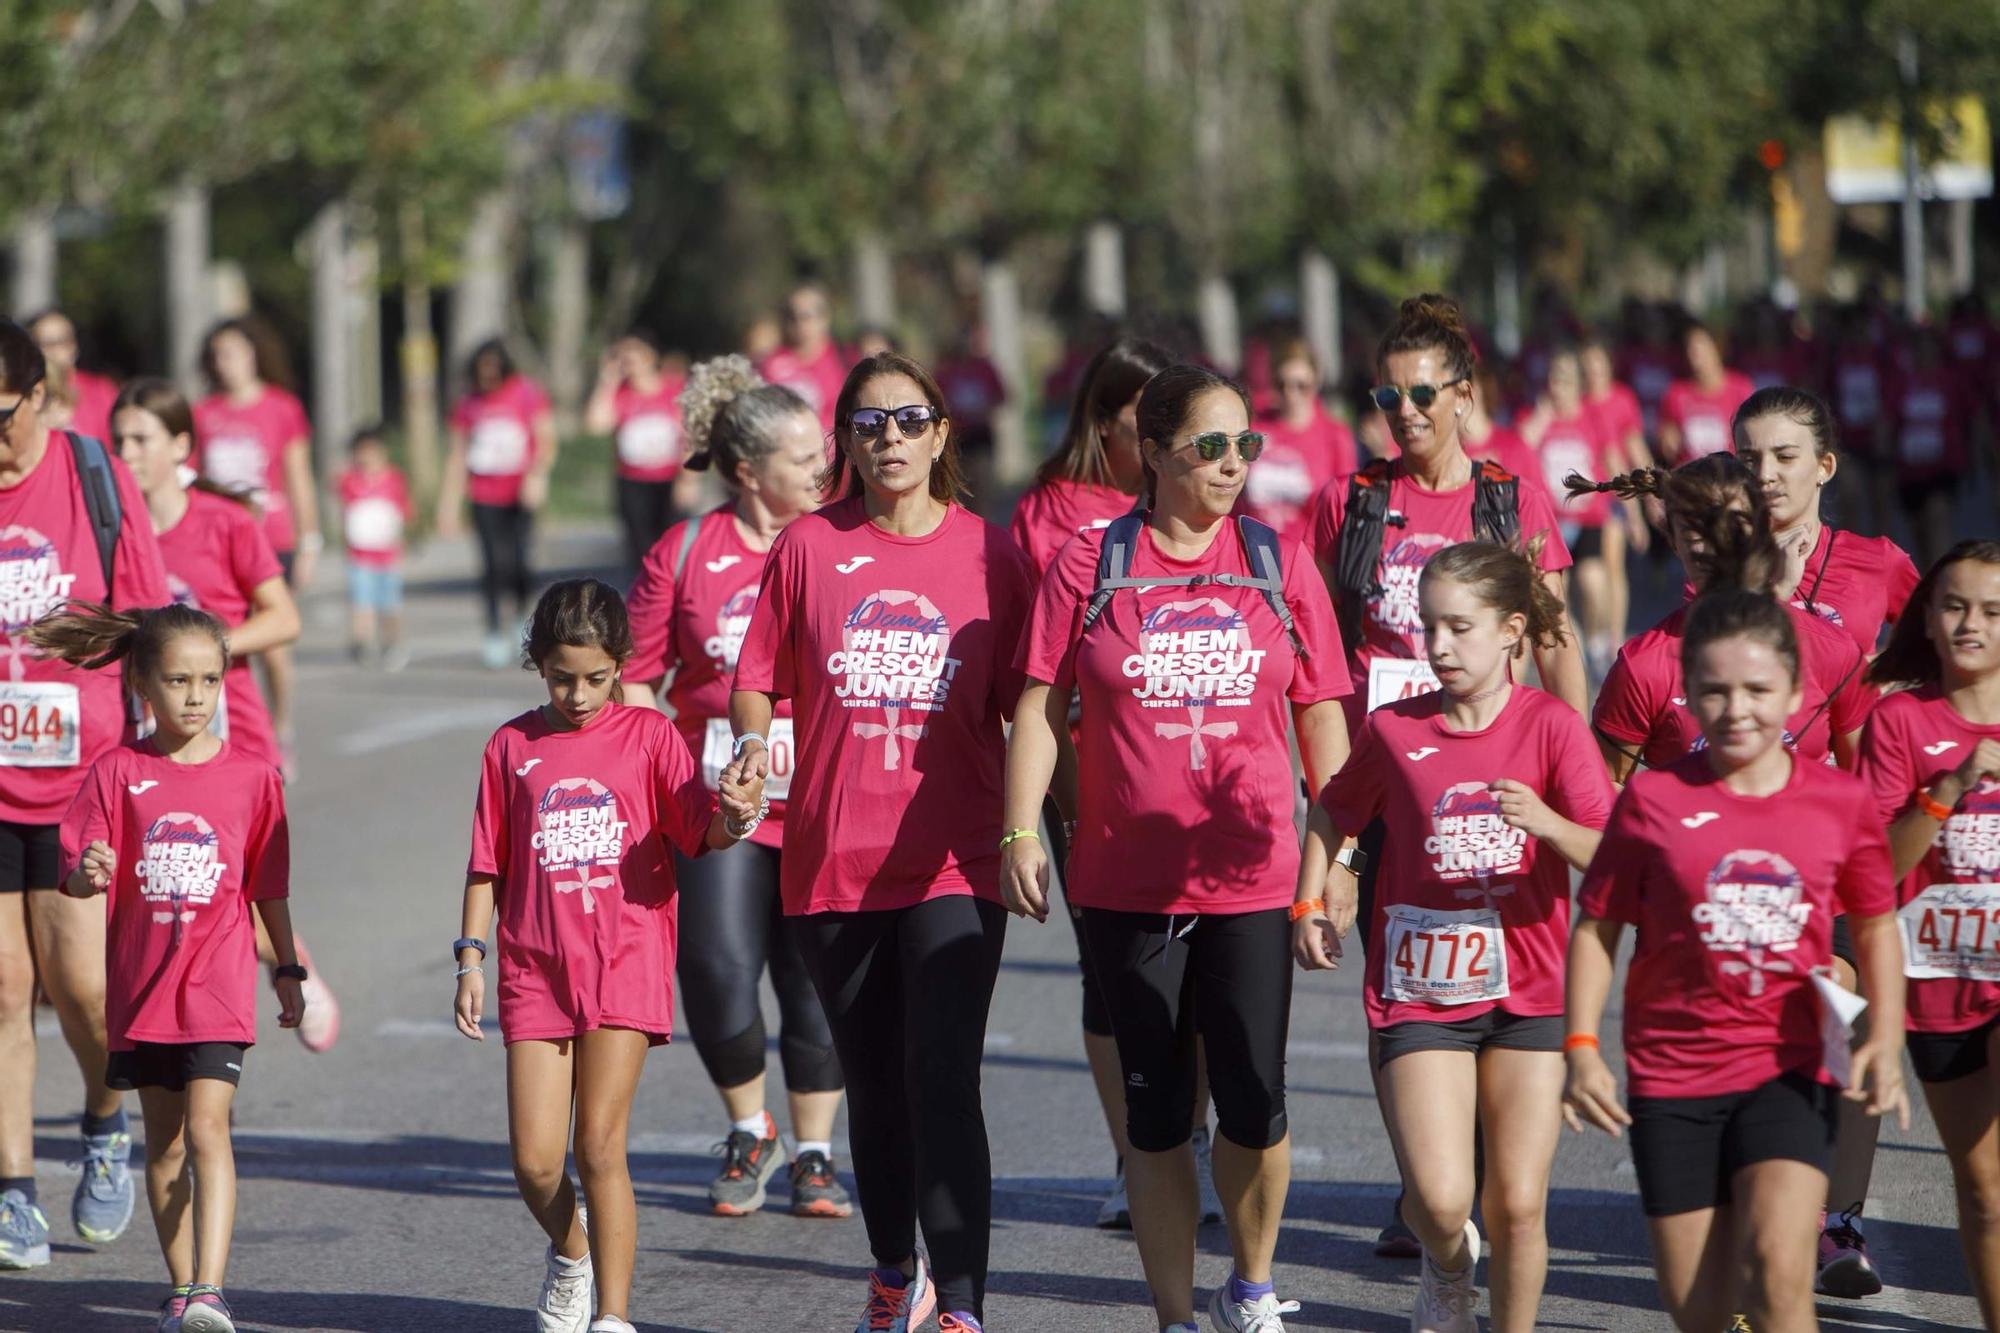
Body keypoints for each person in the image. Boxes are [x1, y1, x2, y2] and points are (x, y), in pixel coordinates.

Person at [1005, 364, 1351, 1333]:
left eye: (1246, 443)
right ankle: (1171, 1315)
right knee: (1155, 1121)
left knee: (1252, 1103)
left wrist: (1339, 860)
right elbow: (1040, 704)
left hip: (1251, 878)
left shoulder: (1276, 561)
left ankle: (1248, 1281)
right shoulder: (1090, 562)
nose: (1233, 462)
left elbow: (1321, 714)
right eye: (1210, 445)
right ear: (1151, 453)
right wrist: (1020, 826)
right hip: (1123, 883)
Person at [727, 351, 1035, 1333]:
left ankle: (964, 1304)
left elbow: (1030, 706)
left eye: (908, 421)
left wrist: (1042, 825)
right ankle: (892, 1268)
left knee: (943, 1075)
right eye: (868, 425)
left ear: (941, 433)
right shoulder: (810, 546)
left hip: (954, 856)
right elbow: (756, 672)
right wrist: (746, 743)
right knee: (876, 1084)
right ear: (846, 443)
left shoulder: (992, 556)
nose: (889, 439)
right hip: (833, 863)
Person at [1310, 294, 1585, 1259]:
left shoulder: (1509, 499)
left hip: (1497, 758)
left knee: (1494, 944)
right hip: (1385, 765)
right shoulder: (1351, 502)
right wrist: (1332, 833)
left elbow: (1553, 635)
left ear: (1464, 396)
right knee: (1401, 959)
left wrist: (1573, 759)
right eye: (1389, 393)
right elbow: (1314, 645)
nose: (1406, 410)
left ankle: (1466, 1169)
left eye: (1424, 392)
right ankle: (1426, 1187)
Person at [1562, 573, 1909, 1333]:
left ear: (1794, 694)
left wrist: (1882, 1035)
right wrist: (1583, 1045)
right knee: (1700, 1306)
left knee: (1781, 1278)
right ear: (1689, 691)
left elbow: (1877, 922)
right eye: (1715, 690)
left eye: (1758, 688)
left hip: (1790, 1068)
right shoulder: (1654, 801)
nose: (1736, 708)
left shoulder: (1838, 802)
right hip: (1674, 1073)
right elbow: (1598, 925)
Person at [1301, 539, 1613, 1333]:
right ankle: (1448, 1266)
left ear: (1512, 631)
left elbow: (1617, 853)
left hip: (1529, 990)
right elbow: (1335, 807)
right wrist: (1311, 897)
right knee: (1440, 1201)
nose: (1437, 647)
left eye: (1459, 628)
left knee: (1517, 1202)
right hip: (1421, 993)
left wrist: (1545, 821)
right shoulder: (1395, 729)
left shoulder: (1551, 727)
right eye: (1428, 627)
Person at [453, 578, 766, 1333]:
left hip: (626, 959)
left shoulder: (651, 736)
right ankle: (572, 1253)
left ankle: (613, 1316)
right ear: (539, 665)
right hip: (535, 968)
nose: (580, 693)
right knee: (534, 1161)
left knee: (598, 1144)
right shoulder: (511, 745)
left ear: (622, 663)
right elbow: (486, 862)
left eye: (596, 677)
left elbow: (700, 832)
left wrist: (736, 812)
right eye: (562, 676)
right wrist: (470, 957)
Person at [620, 357, 852, 1220]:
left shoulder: (842, 543)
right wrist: (675, 783)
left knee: (815, 980)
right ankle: (750, 1129)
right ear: (750, 472)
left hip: (825, 802)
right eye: (804, 458)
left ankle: (817, 1153)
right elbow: (639, 677)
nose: (824, 469)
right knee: (717, 966)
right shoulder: (684, 551)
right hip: (719, 803)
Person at [35, 602, 304, 1333]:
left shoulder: (253, 776)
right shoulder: (117, 771)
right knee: (166, 1147)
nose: (195, 695)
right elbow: (81, 871)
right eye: (179, 679)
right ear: (142, 685)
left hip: (217, 987)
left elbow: (268, 887)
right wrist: (91, 870)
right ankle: (183, 1286)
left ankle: (212, 1289)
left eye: (210, 679)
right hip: (142, 993)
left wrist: (287, 967)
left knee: (210, 1129)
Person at [1008, 336, 1196, 1231]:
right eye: (1143, 420)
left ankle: (1186, 1134)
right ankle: (1136, 1152)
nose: (1164, 435)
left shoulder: (1192, 499)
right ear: (1103, 418)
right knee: (1108, 962)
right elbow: (1038, 668)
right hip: (1084, 768)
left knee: (1198, 955)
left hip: (1187, 764)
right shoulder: (1050, 514)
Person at [0, 319, 167, 1271]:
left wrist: (80, 640)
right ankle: (13, 1188)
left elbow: (146, 616)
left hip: (79, 779)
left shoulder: (91, 474)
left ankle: (105, 1122)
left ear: (36, 397)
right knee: (4, 989)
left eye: (0, 415)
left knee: (86, 994)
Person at [111, 378, 341, 1057]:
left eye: (141, 439)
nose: (126, 452)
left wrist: (196, 657)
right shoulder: (112, 531)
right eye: (117, 439)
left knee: (220, 892)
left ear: (180, 445)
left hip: (231, 739)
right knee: (170, 899)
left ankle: (281, 963)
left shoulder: (223, 522)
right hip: (149, 746)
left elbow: (284, 616)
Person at [1859, 540, 2000, 1329]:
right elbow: (1875, 866)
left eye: (1991, 610)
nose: (1971, 623)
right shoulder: (1901, 720)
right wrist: (1947, 789)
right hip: (1939, 980)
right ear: (1930, 619)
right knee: (1981, 1189)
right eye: (1954, 606)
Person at [1577, 453, 1871, 780]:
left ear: (1763, 526)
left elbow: (1866, 794)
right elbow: (1601, 797)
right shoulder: (1643, 667)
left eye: (1734, 527)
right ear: (1675, 542)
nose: (1717, 545)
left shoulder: (1833, 651)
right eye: (1697, 534)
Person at [193, 318, 318, 781]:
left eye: (234, 352)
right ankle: (233, 734)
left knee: (273, 648)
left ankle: (280, 728)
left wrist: (310, 540)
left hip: (275, 540)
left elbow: (298, 473)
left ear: (253, 354)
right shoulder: (204, 413)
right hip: (221, 544)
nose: (226, 362)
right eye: (218, 354)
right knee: (231, 644)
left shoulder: (281, 407)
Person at [1731, 386, 1921, 661]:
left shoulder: (1879, 560)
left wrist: (1875, 677)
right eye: (1749, 460)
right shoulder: (1719, 563)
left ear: (1825, 467)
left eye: (1785, 457)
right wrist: (1779, 591)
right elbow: (1703, 664)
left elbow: (1934, 633)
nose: (1764, 474)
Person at [438, 339, 558, 670]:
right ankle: (493, 629)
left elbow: (546, 439)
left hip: (519, 492)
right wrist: (448, 505)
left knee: (518, 560)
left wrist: (536, 476)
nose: (488, 377)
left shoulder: (526, 393)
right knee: (492, 563)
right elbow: (457, 455)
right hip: (484, 493)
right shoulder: (469, 404)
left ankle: (522, 614)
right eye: (481, 370)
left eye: (493, 369)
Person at [1518, 345, 1624, 680]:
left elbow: (1612, 459)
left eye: (1563, 379)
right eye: (1552, 378)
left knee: (1593, 581)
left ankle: (1594, 642)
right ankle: (1573, 644)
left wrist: (1634, 508)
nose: (1556, 386)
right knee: (1552, 595)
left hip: (1589, 516)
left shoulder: (1593, 417)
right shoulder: (1532, 417)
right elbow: (1517, 452)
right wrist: (1541, 418)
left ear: (1577, 384)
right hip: (1549, 520)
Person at [584, 329, 692, 569]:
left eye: (636, 354)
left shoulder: (673, 389)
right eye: (624, 356)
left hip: (669, 479)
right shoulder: (620, 393)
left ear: (652, 356)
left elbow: (690, 437)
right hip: (632, 481)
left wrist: (688, 480)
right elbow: (595, 425)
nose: (630, 361)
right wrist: (607, 381)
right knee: (640, 549)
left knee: (674, 549)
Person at [1240, 338, 1358, 546]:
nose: (1290, 394)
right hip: (1254, 549)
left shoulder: (1335, 435)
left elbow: (1345, 507)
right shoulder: (1256, 427)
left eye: (1301, 386)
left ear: (1316, 381)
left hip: (1308, 554)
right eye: (1281, 385)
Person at [1581, 334, 1651, 648]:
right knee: (1590, 573)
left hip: (1618, 491)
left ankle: (1614, 636)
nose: (1594, 372)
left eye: (1599, 365)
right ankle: (1597, 630)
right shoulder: (1579, 403)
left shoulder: (1622, 400)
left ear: (1609, 366)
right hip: (1589, 494)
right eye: (1588, 367)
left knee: (1614, 564)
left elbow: (1634, 447)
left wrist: (1652, 491)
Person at [1887, 327, 1973, 571]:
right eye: (1919, 347)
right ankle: (1928, 583)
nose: (1924, 352)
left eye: (1929, 346)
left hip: (1942, 466)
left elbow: (1970, 417)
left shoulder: (1951, 379)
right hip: (1910, 469)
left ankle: (1941, 582)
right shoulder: (1902, 382)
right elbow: (1890, 422)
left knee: (1937, 521)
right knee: (1920, 534)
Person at [336, 424, 412, 671]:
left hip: (387, 555)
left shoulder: (393, 479)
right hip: (360, 556)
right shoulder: (350, 481)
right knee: (362, 603)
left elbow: (402, 513)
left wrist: (402, 542)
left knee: (389, 605)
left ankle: (392, 642)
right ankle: (362, 643)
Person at [755, 284, 849, 434]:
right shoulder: (769, 365)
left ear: (824, 319)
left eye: (806, 317)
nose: (798, 324)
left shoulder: (844, 361)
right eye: (791, 317)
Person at [1658, 323, 1753, 465]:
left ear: (1717, 348)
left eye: (1701, 347)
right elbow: (1667, 439)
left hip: (1730, 477)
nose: (1694, 354)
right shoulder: (1676, 392)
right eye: (1690, 348)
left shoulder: (1740, 388)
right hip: (1689, 479)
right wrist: (1667, 440)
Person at [29, 309, 118, 445]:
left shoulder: (102, 391)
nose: (55, 350)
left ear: (74, 346)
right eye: (46, 344)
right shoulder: (24, 395)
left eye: (62, 341)